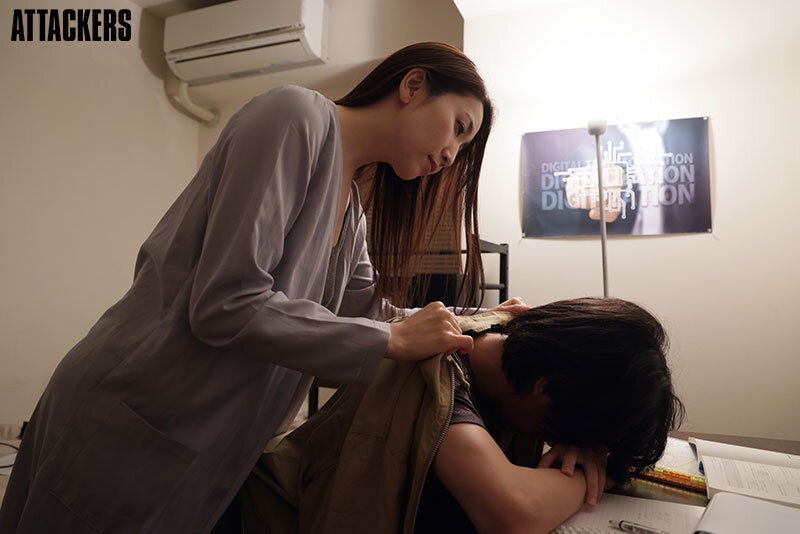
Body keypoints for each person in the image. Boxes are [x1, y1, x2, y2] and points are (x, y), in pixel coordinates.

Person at [0, 42, 527, 533]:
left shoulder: (353, 217)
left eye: (464, 146)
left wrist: (484, 318)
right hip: (135, 411)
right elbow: (225, 303)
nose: (452, 154)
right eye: (458, 127)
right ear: (413, 86)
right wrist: (390, 339)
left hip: (201, 444)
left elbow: (376, 317)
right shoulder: (295, 116)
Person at [237, 297, 685, 534]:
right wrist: (599, 473)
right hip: (267, 516)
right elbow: (514, 513)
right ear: (543, 389)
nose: (558, 441)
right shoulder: (438, 379)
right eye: (563, 431)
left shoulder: (506, 349)